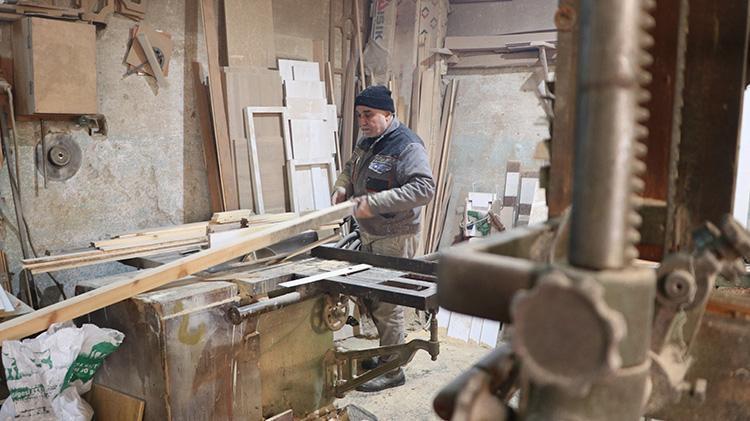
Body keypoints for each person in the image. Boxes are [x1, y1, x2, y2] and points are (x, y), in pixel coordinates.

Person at [331, 85, 435, 392]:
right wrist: (342, 186)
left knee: (389, 304)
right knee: (375, 299)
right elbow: (351, 167)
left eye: (369, 114)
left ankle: (393, 371)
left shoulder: (407, 146)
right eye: (359, 115)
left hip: (396, 235)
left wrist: (373, 203)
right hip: (371, 232)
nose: (362, 121)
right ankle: (387, 355)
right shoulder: (368, 140)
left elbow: (423, 189)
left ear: (388, 114)